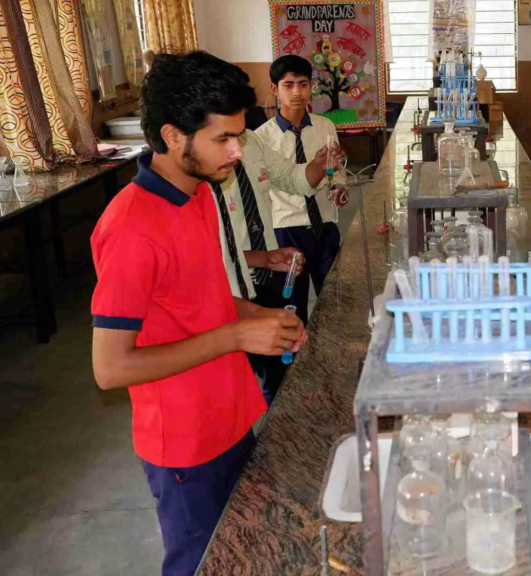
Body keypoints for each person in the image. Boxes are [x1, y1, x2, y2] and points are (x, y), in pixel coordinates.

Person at [90, 51, 308, 576]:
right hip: (185, 443)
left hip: (230, 413)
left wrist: (260, 317)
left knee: (245, 552)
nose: (237, 152)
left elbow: (202, 298)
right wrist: (236, 336)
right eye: (223, 139)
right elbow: (110, 368)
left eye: (240, 136)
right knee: (202, 562)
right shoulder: (131, 228)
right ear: (172, 136)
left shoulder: (200, 195)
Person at [212, 123, 342, 405]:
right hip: (229, 286)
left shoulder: (251, 142)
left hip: (266, 273)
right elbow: (212, 251)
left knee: (278, 366)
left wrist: (319, 166)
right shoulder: (202, 168)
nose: (236, 149)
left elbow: (292, 177)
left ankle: (281, 413)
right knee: (236, 380)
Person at [255, 55, 346, 325]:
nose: (297, 92)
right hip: (286, 229)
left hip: (325, 225)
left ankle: (331, 347)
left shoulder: (324, 127)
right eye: (288, 85)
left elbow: (335, 170)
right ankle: (296, 351)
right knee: (291, 305)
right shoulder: (261, 138)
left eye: (303, 84)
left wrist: (339, 185)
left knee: (335, 299)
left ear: (311, 87)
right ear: (275, 89)